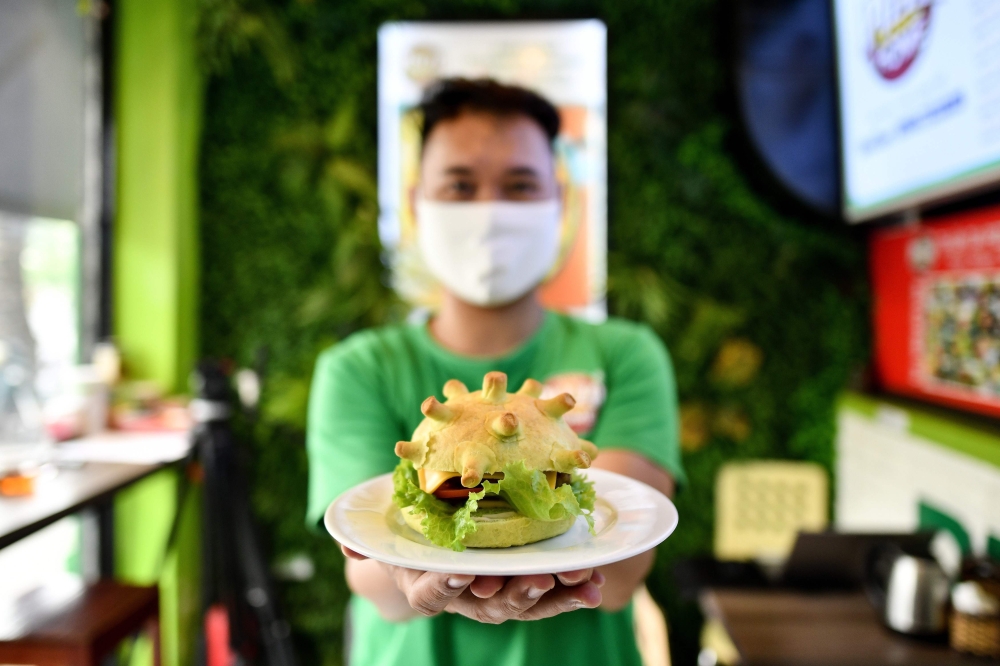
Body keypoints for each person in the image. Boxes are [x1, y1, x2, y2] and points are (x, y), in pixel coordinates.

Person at [307, 78, 685, 666]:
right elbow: (372, 580)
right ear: (416, 204)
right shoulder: (356, 368)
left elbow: (623, 562)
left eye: (519, 185)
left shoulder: (627, 353)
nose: (489, 209)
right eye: (459, 185)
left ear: (557, 204)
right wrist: (410, 580)